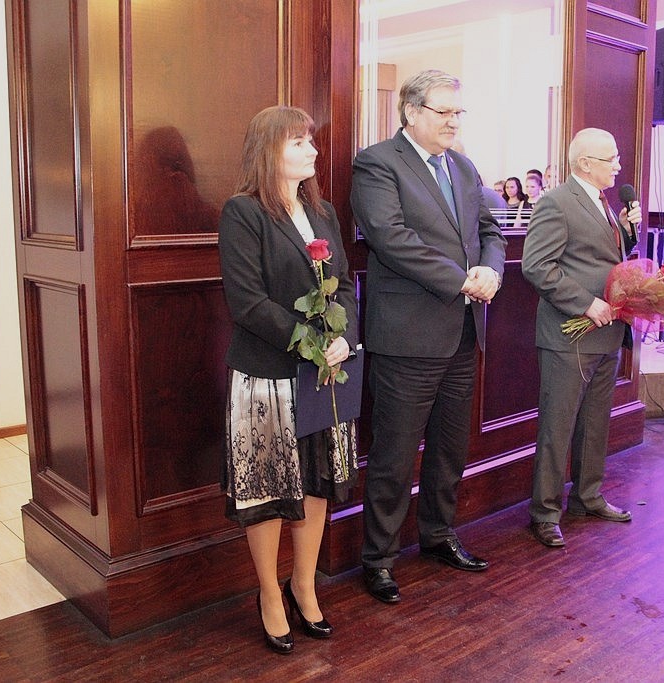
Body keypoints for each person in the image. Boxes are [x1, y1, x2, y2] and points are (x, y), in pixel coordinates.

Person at [350, 69, 507, 605]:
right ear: (412, 112)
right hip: (407, 336)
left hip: (462, 332)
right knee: (394, 456)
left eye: (458, 112)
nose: (453, 122)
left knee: (449, 449)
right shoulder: (377, 163)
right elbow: (390, 238)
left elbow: (489, 231)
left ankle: (439, 535)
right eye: (444, 111)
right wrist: (460, 279)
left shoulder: (462, 166)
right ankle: (379, 559)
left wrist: (491, 270)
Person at [219, 106, 359, 654]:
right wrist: (312, 344)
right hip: (268, 376)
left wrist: (343, 336)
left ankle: (304, 586)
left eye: (311, 141)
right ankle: (269, 595)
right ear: (268, 150)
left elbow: (344, 284)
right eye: (299, 142)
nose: (312, 150)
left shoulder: (322, 213)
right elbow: (248, 303)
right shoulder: (243, 212)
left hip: (324, 376)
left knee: (317, 482)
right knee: (269, 490)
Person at [521, 128, 640, 549]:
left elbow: (604, 258)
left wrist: (628, 232)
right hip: (569, 335)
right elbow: (537, 266)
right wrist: (586, 303)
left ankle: (587, 496)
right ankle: (545, 512)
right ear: (586, 163)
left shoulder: (605, 203)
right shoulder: (556, 202)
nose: (619, 166)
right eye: (612, 159)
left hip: (607, 333)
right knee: (558, 426)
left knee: (595, 423)